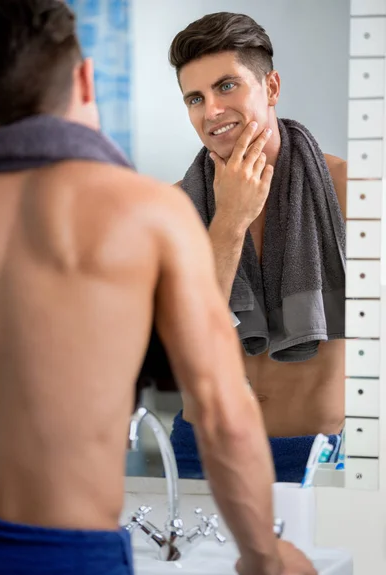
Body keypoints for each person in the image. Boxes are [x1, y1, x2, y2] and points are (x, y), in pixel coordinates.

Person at [0, 1, 317, 575]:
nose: (210, 110)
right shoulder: (142, 212)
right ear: (85, 79)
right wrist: (264, 559)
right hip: (67, 562)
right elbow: (218, 409)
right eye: (195, 96)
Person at [168, 12, 347, 482]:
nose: (211, 111)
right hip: (202, 450)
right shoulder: (171, 209)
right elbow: (185, 339)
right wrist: (228, 220)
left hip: (315, 452)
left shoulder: (348, 190)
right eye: (195, 98)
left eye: (227, 86)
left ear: (270, 87)